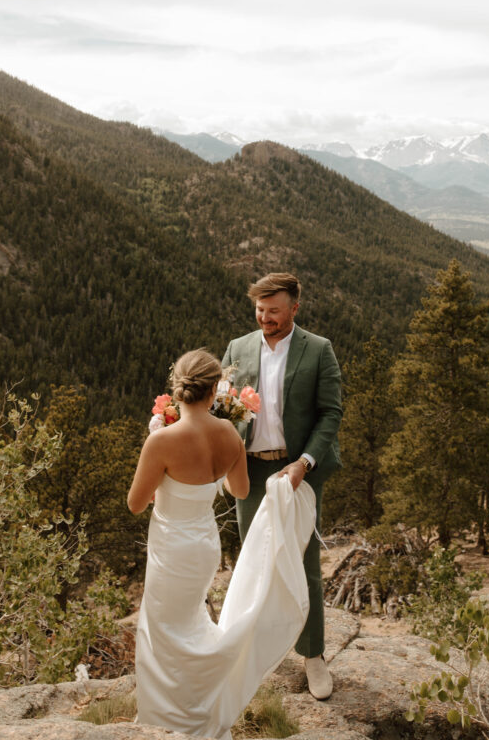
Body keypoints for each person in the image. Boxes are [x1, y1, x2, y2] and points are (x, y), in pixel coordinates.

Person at [128, 348, 316, 740]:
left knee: (162, 629)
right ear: (215, 389)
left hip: (172, 547)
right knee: (192, 623)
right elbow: (240, 489)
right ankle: (200, 706)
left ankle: (167, 719)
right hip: (204, 544)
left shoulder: (161, 441)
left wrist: (154, 450)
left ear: (177, 390)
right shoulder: (229, 433)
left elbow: (135, 504)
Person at [222, 272, 342, 700]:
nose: (265, 317)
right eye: (259, 309)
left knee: (304, 560)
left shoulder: (319, 349)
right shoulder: (237, 348)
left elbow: (331, 412)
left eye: (274, 310)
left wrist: (303, 463)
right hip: (249, 472)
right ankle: (248, 654)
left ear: (295, 308)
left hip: (298, 473)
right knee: (253, 562)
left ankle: (313, 657)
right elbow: (222, 407)